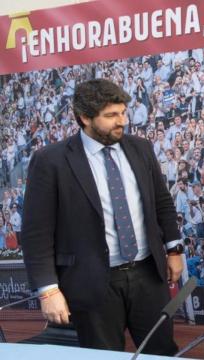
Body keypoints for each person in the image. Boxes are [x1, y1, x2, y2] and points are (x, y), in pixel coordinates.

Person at [21, 79, 183, 354]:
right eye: (111, 116)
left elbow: (162, 202)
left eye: (123, 113)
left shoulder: (140, 148)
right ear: (84, 118)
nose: (121, 121)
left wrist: (174, 249)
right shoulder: (51, 161)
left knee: (162, 351)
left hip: (148, 274)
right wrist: (48, 291)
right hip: (92, 283)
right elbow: (36, 233)